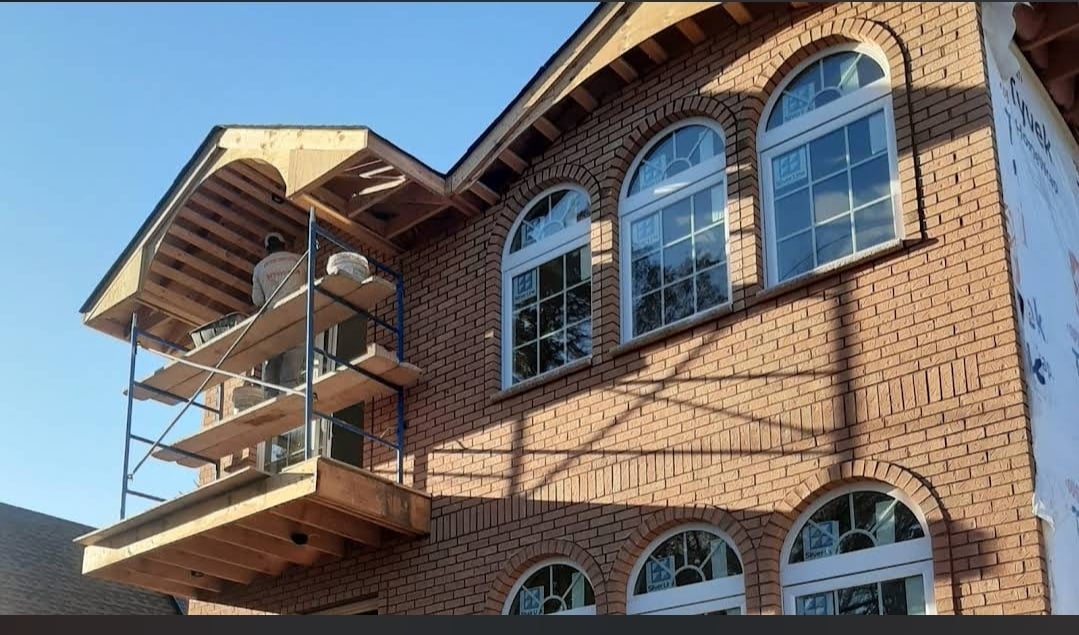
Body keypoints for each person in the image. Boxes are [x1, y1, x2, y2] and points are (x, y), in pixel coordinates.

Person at [253, 232, 306, 397]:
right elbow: (309, 286)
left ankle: (270, 398)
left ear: (267, 249)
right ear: (284, 245)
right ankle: (288, 396)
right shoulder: (300, 261)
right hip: (297, 317)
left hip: (274, 320)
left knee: (273, 361)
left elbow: (257, 300)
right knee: (293, 361)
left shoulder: (260, 267)